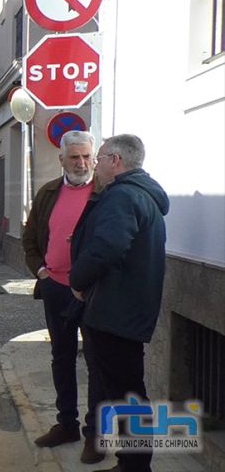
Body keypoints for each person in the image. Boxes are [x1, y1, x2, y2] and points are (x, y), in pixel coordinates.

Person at [70, 134, 169, 472]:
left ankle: (136, 465)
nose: (94, 166)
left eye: (98, 158)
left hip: (117, 313)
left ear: (115, 161)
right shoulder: (142, 195)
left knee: (126, 393)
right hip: (128, 310)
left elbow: (106, 248)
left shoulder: (123, 196)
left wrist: (77, 280)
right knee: (127, 390)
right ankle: (132, 461)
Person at [22, 130, 105, 465]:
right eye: (75, 157)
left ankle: (94, 436)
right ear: (62, 160)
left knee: (97, 364)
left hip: (92, 293)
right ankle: (66, 424)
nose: (82, 163)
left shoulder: (104, 193)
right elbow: (29, 239)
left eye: (87, 156)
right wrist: (40, 270)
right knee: (62, 358)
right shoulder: (47, 193)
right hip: (55, 289)